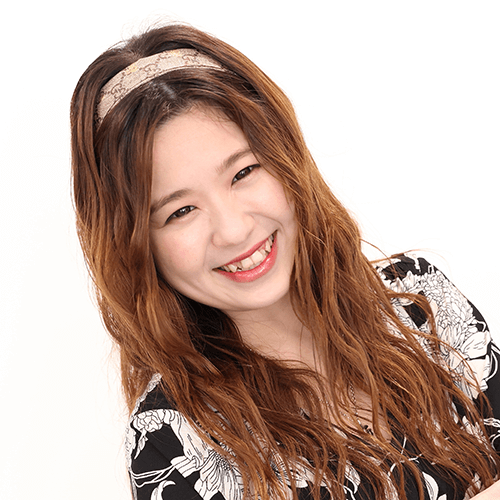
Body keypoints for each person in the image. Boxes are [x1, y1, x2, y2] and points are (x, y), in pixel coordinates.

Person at [70, 23, 500, 500]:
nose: (234, 230)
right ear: (138, 247)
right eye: (181, 211)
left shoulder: (421, 303)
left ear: (287, 159)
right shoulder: (173, 444)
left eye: (243, 172)